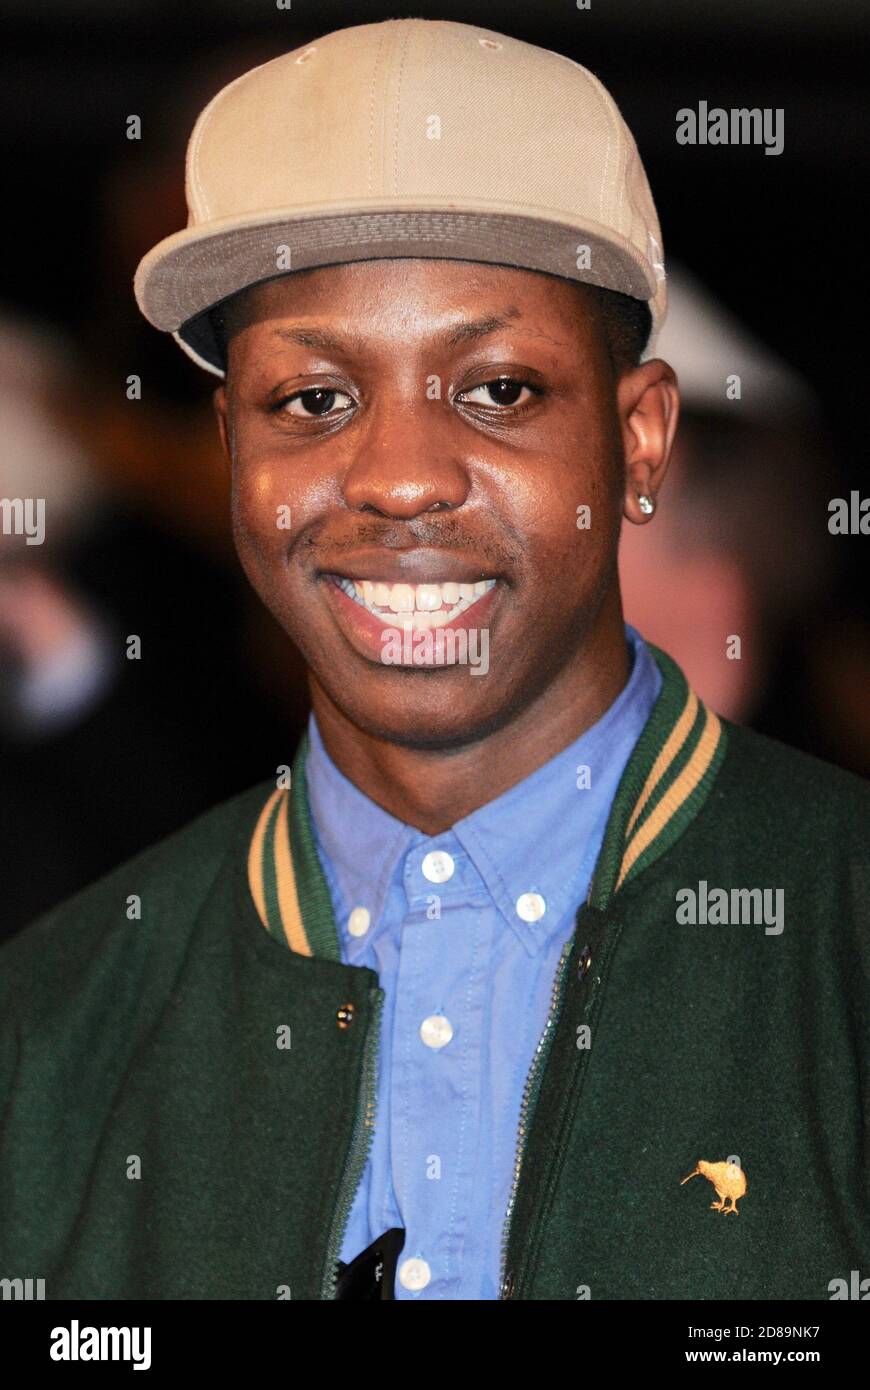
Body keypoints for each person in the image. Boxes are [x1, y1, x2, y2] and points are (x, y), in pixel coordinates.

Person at [1, 18, 867, 1302]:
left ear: (639, 441)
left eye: (498, 389)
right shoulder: (50, 1028)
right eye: (313, 398)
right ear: (234, 452)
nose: (400, 477)